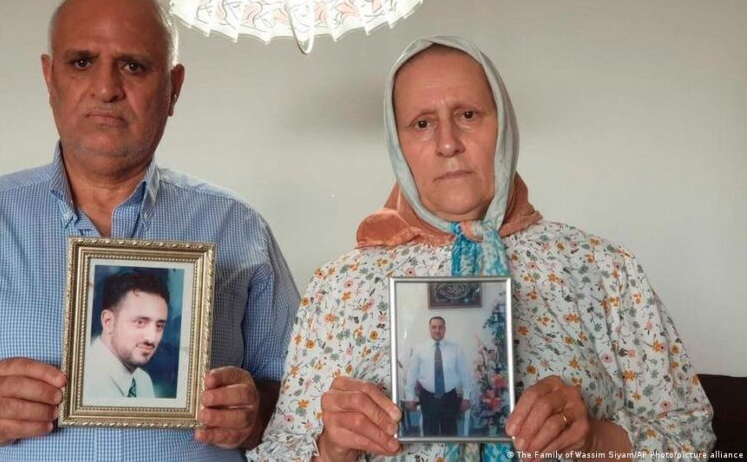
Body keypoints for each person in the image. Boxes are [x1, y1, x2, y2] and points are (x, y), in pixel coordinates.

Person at [249, 36, 714, 461]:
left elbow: (693, 442)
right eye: (422, 123)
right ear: (398, 144)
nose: (448, 143)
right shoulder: (338, 287)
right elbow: (279, 450)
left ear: (503, 125)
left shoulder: (601, 268)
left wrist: (597, 440)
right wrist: (331, 450)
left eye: (468, 115)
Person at [0, 0, 299, 460]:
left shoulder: (239, 229)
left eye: (133, 66)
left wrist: (256, 413)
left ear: (174, 87)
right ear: (50, 78)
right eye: (82, 62)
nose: (106, 89)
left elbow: (305, 396)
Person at [84, 270, 170, 401]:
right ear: (108, 322)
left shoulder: (143, 381)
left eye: (159, 326)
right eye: (140, 322)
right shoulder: (82, 381)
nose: (151, 338)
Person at [403, 316, 473, 437]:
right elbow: (412, 373)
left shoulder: (455, 349)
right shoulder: (419, 349)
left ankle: (450, 449)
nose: (437, 330)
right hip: (428, 397)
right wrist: (410, 397)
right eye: (434, 327)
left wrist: (466, 397)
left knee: (450, 432)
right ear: (429, 329)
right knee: (430, 433)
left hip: (450, 397)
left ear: (445, 329)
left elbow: (464, 374)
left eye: (440, 327)